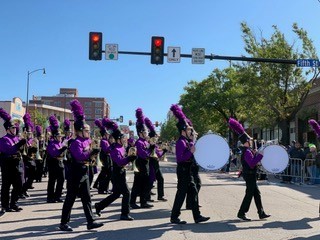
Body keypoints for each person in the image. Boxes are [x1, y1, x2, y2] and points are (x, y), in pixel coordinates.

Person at [59, 99, 103, 232]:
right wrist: (91, 152)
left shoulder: (86, 140)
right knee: (70, 198)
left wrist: (95, 151)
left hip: (85, 171)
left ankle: (90, 221)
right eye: (86, 130)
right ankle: (63, 223)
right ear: (79, 131)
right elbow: (79, 156)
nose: (89, 132)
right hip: (75, 172)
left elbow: (88, 154)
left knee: (87, 198)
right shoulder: (75, 142)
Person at [169, 104, 210, 224]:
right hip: (183, 169)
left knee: (193, 191)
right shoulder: (180, 142)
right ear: (182, 131)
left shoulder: (187, 141)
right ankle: (174, 217)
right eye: (188, 129)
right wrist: (190, 152)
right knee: (181, 194)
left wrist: (192, 145)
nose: (190, 130)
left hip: (188, 170)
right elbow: (180, 159)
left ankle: (197, 216)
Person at [228, 117, 270, 221]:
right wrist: (259, 156)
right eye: (249, 140)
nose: (251, 141)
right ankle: (241, 213)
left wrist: (255, 154)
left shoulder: (247, 150)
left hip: (251, 174)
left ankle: (261, 213)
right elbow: (251, 164)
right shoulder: (246, 151)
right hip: (250, 174)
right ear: (246, 141)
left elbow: (251, 161)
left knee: (256, 193)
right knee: (249, 194)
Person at [94, 118, 136, 220]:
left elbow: (124, 159)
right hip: (117, 173)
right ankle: (124, 214)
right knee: (126, 193)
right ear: (118, 139)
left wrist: (131, 156)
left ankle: (99, 206)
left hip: (121, 172)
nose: (124, 139)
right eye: (123, 138)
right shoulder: (115, 149)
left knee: (116, 194)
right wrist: (130, 158)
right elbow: (120, 162)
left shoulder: (120, 147)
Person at [0, 108, 26, 214]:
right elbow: (9, 150)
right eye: (12, 128)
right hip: (8, 165)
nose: (15, 130)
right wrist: (19, 144)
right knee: (6, 186)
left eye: (15, 128)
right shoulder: (3, 139)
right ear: (7, 129)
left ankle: (14, 203)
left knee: (19, 184)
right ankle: (5, 205)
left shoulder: (16, 138)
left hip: (18, 164)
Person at [130, 108, 154, 209]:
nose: (146, 133)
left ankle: (143, 202)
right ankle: (133, 202)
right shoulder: (139, 142)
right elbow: (144, 154)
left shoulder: (145, 141)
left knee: (145, 184)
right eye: (145, 132)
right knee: (137, 185)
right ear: (140, 133)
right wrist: (150, 149)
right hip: (140, 164)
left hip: (145, 164)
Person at [144, 117, 167, 202]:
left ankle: (160, 196)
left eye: (155, 138)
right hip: (150, 164)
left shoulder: (156, 146)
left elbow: (158, 155)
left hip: (156, 164)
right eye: (154, 138)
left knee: (160, 179)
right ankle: (146, 197)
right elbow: (146, 153)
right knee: (150, 181)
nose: (156, 139)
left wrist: (164, 151)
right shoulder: (147, 144)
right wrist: (150, 147)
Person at [46, 115, 67, 203]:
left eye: (60, 137)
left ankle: (57, 196)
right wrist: (62, 149)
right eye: (58, 136)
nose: (60, 138)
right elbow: (54, 153)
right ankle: (50, 197)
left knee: (61, 180)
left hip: (60, 163)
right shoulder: (51, 143)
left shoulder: (59, 143)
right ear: (54, 136)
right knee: (52, 181)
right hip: (53, 163)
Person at [93, 119, 113, 194]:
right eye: (107, 134)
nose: (108, 135)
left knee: (107, 175)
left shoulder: (106, 141)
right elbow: (107, 150)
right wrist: (112, 145)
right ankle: (102, 189)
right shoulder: (104, 141)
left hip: (107, 158)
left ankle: (104, 188)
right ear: (104, 134)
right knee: (106, 175)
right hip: (105, 158)